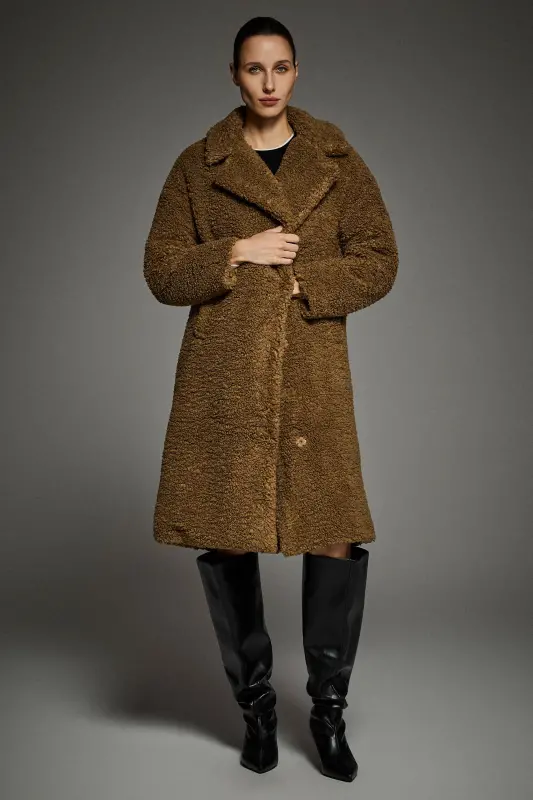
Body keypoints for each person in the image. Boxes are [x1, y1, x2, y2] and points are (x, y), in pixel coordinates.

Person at [143, 15, 398, 782]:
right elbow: (161, 271)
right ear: (233, 74)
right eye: (253, 69)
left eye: (280, 67)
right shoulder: (199, 165)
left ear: (296, 71)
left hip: (313, 380)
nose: (267, 82)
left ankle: (327, 715)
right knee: (228, 539)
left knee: (334, 536)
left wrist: (305, 282)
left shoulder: (335, 160)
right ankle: (255, 712)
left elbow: (378, 260)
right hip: (225, 382)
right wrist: (237, 252)